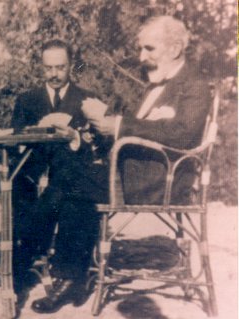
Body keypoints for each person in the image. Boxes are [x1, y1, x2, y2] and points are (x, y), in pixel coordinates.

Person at [11, 39, 110, 314]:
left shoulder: (86, 99)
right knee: (15, 184)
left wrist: (76, 137)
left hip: (71, 178)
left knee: (69, 183)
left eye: (61, 67)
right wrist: (31, 134)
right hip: (32, 175)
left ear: (71, 66)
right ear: (40, 67)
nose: (54, 74)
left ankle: (32, 259)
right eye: (48, 68)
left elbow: (103, 145)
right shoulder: (26, 100)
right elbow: (15, 140)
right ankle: (24, 264)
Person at [82, 15, 211, 205]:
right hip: (131, 174)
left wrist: (117, 125)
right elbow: (138, 128)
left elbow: (181, 134)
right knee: (66, 173)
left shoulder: (195, 86)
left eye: (149, 49)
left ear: (175, 49)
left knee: (68, 181)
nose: (142, 57)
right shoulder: (153, 86)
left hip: (163, 183)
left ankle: (33, 234)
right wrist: (94, 132)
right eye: (140, 49)